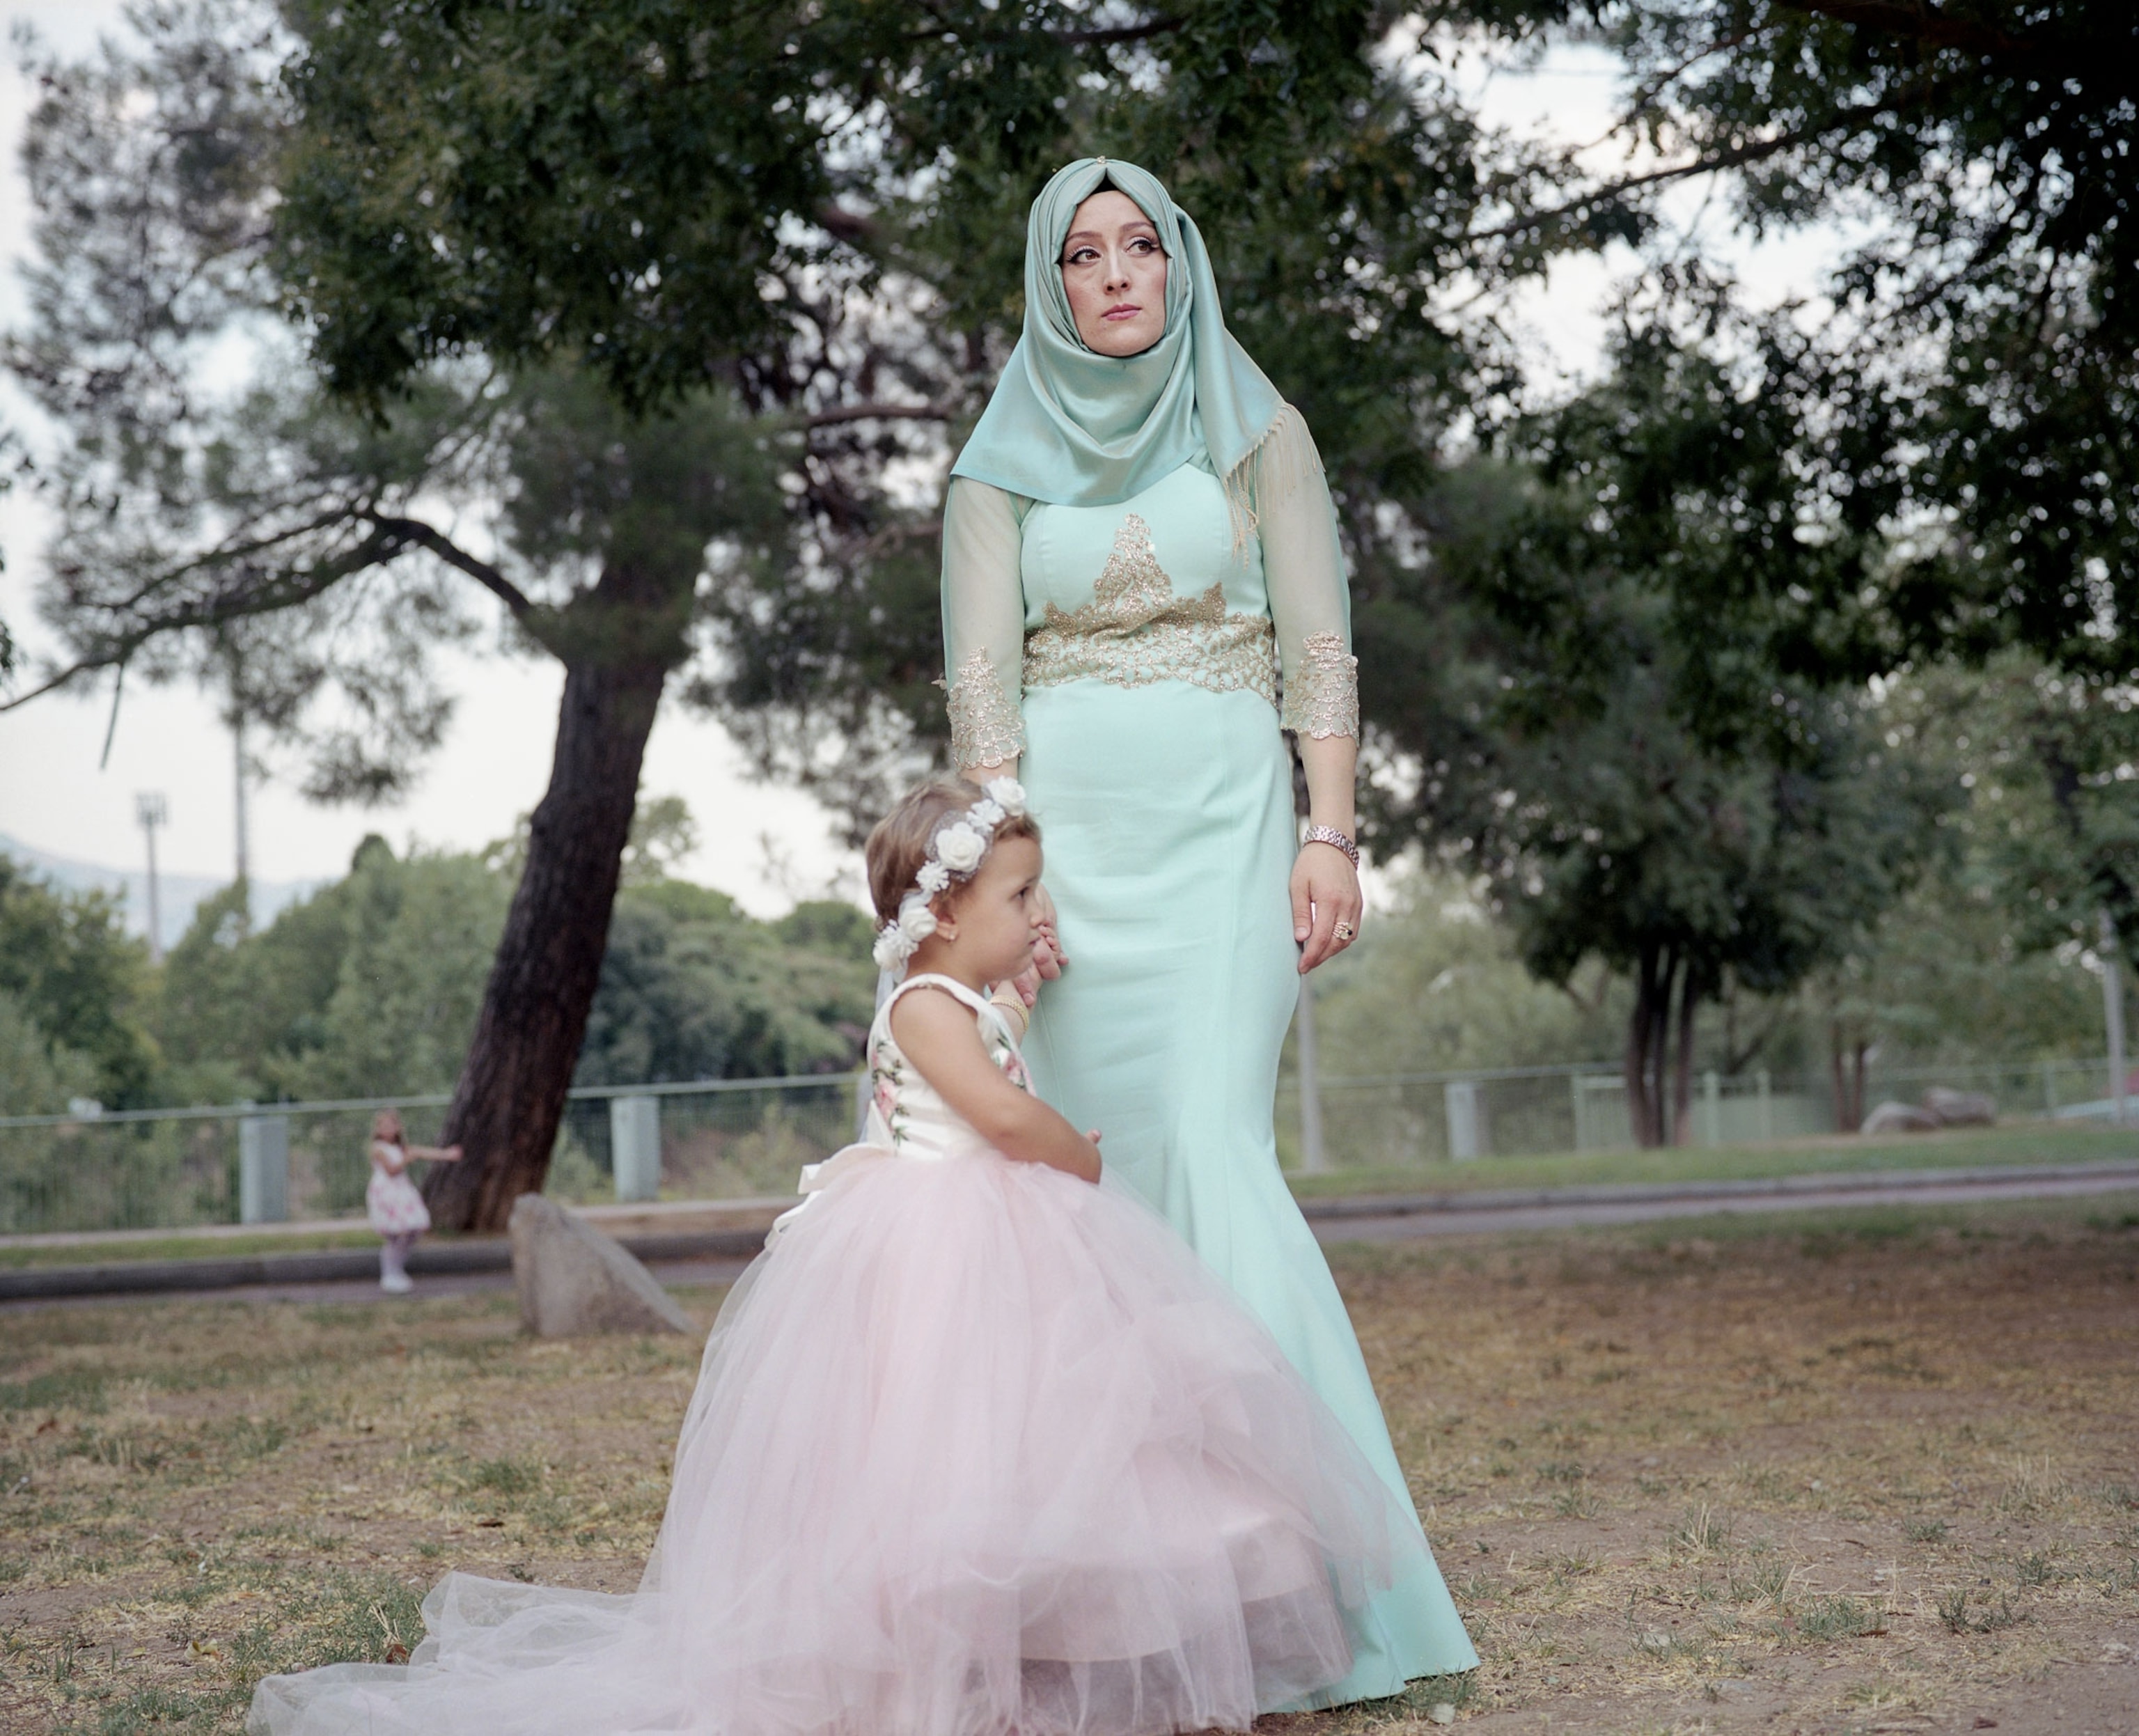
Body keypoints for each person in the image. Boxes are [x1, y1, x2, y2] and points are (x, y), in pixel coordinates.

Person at [249, 778, 1439, 1736]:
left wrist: (1022, 991)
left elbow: (1002, 1050)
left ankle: (1044, 1649)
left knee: (1053, 1442)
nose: (1038, 913)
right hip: (949, 1236)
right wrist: (1072, 1153)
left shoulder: (958, 993)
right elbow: (1000, 1113)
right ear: (947, 903)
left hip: (997, 1234)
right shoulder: (921, 1002)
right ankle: (943, 1656)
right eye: (1021, 894)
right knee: (945, 1448)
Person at [940, 155, 1477, 1699]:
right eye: (1082, 257)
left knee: (1215, 1144)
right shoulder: (993, 467)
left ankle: (1321, 1591)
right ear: (1050, 287)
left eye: (1141, 248)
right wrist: (1004, 901)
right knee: (1088, 1192)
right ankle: (1110, 1605)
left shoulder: (1259, 430)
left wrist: (1329, 834)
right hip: (1071, 875)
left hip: (1232, 835)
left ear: (1180, 264)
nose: (1115, 276)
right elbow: (985, 705)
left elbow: (1321, 644)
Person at [366, 1109, 461, 1295]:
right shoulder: (378, 1148)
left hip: (402, 1192)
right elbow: (392, 1170)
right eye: (383, 1126)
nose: (388, 1129)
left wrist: (446, 1155)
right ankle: (389, 1273)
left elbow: (422, 1152)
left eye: (391, 1125)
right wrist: (406, 1160)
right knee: (397, 1234)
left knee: (412, 1231)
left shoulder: (400, 1148)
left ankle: (397, 1269)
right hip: (387, 1193)